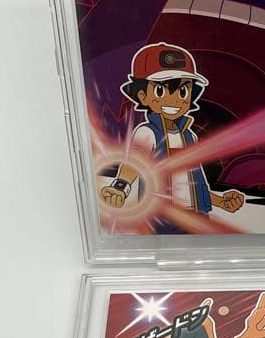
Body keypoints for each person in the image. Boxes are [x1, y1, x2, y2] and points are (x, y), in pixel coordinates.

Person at [100, 42, 244, 217]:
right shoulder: (147, 133)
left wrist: (220, 201)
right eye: (161, 91)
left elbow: (192, 183)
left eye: (183, 91)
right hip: (163, 219)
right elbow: (134, 164)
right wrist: (119, 188)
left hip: (196, 217)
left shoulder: (189, 136)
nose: (174, 100)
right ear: (143, 96)